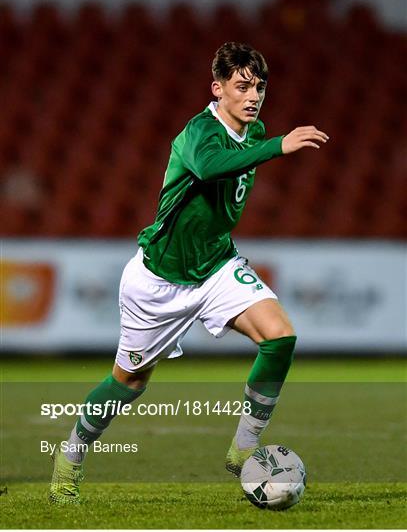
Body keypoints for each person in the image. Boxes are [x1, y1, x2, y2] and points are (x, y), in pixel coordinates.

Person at [50, 41, 329, 504]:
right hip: (157, 281)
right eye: (242, 86)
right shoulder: (199, 132)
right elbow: (208, 167)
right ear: (217, 89)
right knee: (130, 383)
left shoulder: (253, 130)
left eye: (259, 87)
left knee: (280, 338)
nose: (253, 95)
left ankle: (243, 451)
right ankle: (70, 456)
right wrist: (278, 145)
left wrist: (265, 141)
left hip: (217, 265)